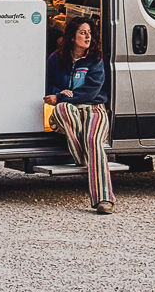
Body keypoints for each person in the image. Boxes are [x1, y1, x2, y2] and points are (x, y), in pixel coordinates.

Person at [44, 15, 115, 214]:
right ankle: (84, 158)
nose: (87, 37)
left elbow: (92, 92)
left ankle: (104, 199)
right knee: (63, 108)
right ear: (72, 36)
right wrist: (60, 95)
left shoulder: (95, 59)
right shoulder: (55, 59)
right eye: (83, 33)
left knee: (93, 140)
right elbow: (49, 86)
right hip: (68, 112)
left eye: (89, 33)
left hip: (94, 109)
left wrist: (65, 95)